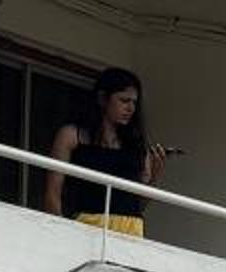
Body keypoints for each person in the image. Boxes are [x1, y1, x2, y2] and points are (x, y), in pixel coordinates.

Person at [43, 68, 165, 234]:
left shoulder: (136, 145)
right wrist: (59, 232)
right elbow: (52, 194)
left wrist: (155, 178)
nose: (131, 108)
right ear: (102, 98)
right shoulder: (72, 135)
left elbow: (137, 205)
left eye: (134, 103)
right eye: (124, 100)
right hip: (87, 225)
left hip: (131, 229)